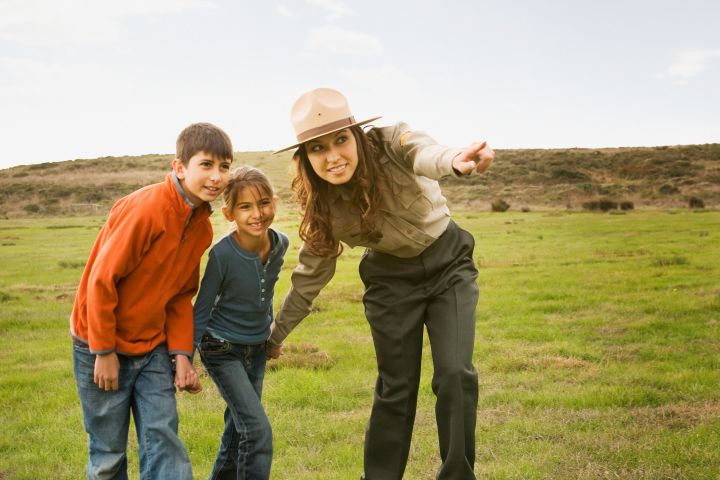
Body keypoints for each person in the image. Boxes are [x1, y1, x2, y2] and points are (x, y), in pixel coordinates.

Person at [267, 88, 494, 479]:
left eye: (341, 139)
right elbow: (309, 278)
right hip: (390, 282)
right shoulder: (320, 205)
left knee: (455, 374)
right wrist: (275, 335)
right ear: (305, 157)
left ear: (357, 134)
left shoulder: (392, 142)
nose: (333, 156)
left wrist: (456, 160)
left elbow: (426, 153)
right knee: (396, 387)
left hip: (448, 265)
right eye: (318, 148)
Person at [70, 122, 234, 479]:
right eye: (206, 164)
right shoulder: (147, 209)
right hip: (99, 344)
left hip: (152, 347)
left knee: (163, 440)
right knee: (109, 454)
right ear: (180, 167)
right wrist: (103, 351)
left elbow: (179, 296)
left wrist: (180, 356)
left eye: (224, 166)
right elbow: (102, 280)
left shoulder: (202, 226)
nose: (217, 176)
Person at [193, 166, 289, 480]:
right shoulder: (222, 255)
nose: (257, 213)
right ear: (229, 213)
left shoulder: (280, 244)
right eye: (245, 207)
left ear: (274, 202)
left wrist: (271, 338)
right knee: (257, 432)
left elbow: (267, 290)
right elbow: (202, 309)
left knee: (238, 430)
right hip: (221, 348)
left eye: (263, 203)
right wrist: (183, 359)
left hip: (256, 349)